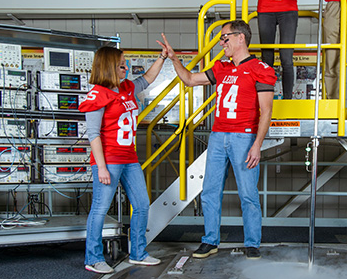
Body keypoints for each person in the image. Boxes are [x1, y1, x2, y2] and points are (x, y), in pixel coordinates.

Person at [157, 20, 276, 260]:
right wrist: (173, 58)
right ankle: (210, 240)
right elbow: (190, 79)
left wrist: (257, 145)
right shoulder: (221, 67)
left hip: (244, 137)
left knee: (248, 194)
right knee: (210, 191)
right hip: (218, 136)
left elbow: (266, 111)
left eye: (225, 38)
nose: (222, 43)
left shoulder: (260, 68)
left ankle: (252, 243)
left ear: (241, 38)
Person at [79, 46, 166, 274]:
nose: (125, 68)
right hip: (109, 160)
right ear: (109, 67)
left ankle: (138, 253)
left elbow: (147, 79)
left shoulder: (127, 87)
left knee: (141, 204)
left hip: (129, 158)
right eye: (120, 65)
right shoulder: (98, 94)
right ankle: (93, 258)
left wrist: (162, 57)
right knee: (99, 209)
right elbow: (93, 134)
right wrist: (101, 167)